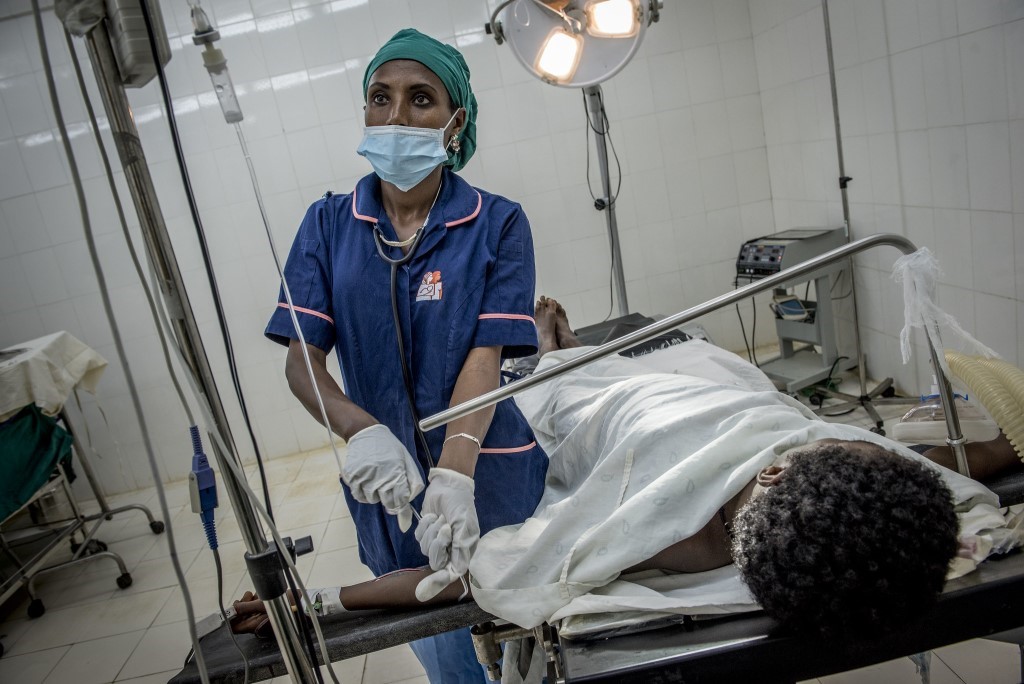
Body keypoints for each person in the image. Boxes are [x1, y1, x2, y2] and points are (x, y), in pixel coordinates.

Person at [248, 298, 1004, 644]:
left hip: (619, 415)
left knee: (556, 382)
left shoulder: (654, 526)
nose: (857, 442)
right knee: (616, 367)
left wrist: (317, 601)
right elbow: (935, 469)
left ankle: (556, 344)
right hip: (706, 385)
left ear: (772, 481)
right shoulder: (864, 487)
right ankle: (561, 342)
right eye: (857, 447)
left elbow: (472, 572)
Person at [264, 28, 548, 683]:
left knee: (525, 643)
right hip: (388, 497)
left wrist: (454, 474)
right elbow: (301, 358)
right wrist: (360, 431)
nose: (396, 116)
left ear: (456, 123)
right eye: (379, 97)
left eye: (420, 99)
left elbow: (485, 356)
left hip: (489, 472)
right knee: (446, 654)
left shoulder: (498, 223)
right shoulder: (328, 224)